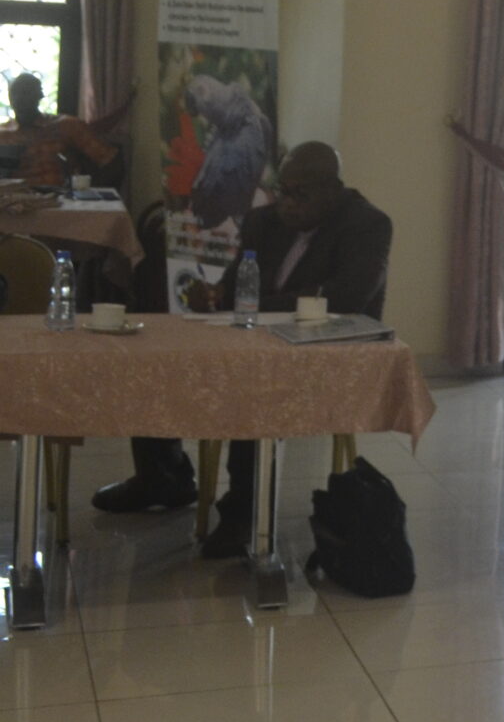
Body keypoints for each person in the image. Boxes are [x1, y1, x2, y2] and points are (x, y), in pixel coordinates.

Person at [91, 142, 393, 558]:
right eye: (283, 190)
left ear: (333, 190)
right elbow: (236, 288)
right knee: (157, 359)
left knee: (254, 386)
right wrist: (214, 295)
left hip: (328, 356)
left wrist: (254, 306)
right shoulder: (263, 221)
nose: (288, 203)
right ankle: (162, 477)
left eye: (300, 194)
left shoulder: (368, 224)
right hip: (256, 343)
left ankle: (243, 515)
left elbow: (347, 299)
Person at [3, 72, 116, 189]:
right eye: (15, 93)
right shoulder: (3, 134)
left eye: (26, 92)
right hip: (13, 198)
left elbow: (110, 161)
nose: (19, 98)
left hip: (60, 196)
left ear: (40, 95)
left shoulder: (67, 126)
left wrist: (92, 194)